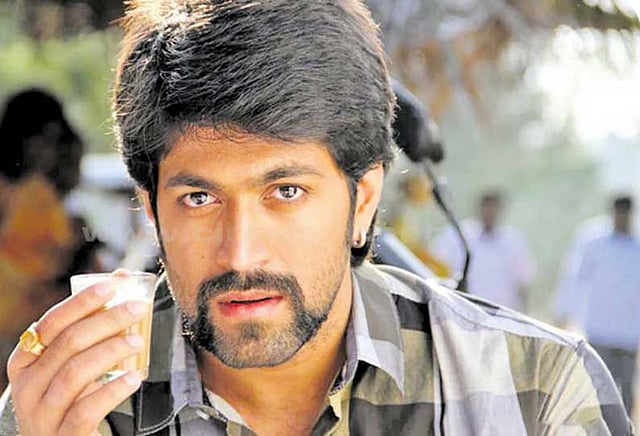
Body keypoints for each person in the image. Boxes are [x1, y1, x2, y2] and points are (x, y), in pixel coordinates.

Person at [0, 2, 631, 434]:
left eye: (286, 192)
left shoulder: (535, 391)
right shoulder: (67, 405)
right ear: (151, 210)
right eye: (199, 199)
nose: (241, 253)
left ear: (363, 202)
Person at [0, 88, 104, 392]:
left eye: (52, 139)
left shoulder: (50, 202)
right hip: (15, 336)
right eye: (37, 138)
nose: (43, 150)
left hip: (36, 337)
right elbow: (43, 270)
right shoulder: (21, 194)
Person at [555, 195, 640, 415]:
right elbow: (574, 278)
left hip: (629, 334)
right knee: (598, 388)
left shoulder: (636, 247)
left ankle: (623, 429)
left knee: (626, 391)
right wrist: (564, 312)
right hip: (600, 329)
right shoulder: (593, 241)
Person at [432, 191, 535, 311]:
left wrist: (525, 313)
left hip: (500, 314)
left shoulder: (513, 242)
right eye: (486, 207)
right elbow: (437, 268)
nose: (489, 212)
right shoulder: (457, 235)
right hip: (462, 311)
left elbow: (522, 282)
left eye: (493, 207)